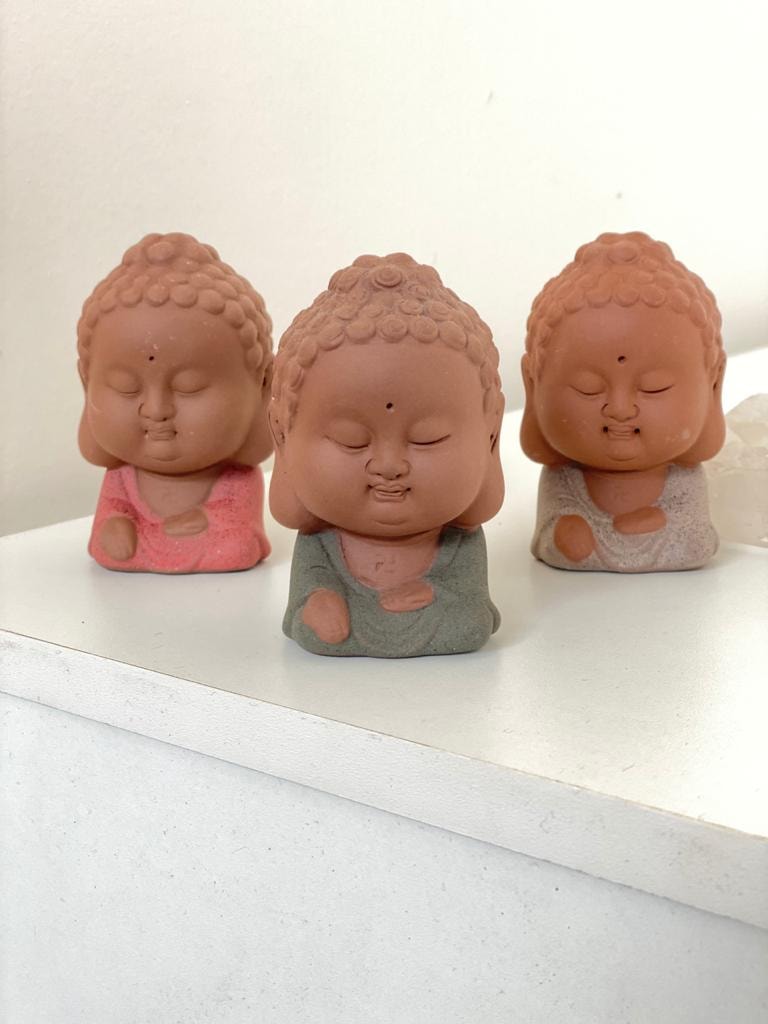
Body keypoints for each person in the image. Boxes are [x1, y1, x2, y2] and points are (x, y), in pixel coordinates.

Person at [269, 253, 505, 657]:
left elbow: (471, 612)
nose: (389, 466)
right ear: (282, 436)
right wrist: (320, 604)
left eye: (428, 439)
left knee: (467, 626)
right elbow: (308, 595)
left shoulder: (459, 542)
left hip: (431, 615)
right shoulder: (320, 542)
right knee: (319, 630)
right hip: (350, 619)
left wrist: (430, 594)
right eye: (351, 440)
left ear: (491, 436)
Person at [520, 232, 726, 572]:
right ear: (533, 385)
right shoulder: (566, 478)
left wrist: (655, 521)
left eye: (654, 388)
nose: (619, 409)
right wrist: (566, 534)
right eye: (588, 388)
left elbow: (696, 539)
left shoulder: (683, 480)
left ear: (713, 383)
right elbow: (552, 535)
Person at [77, 232, 273, 572]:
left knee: (236, 547)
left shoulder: (237, 479)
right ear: (86, 382)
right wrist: (117, 526)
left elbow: (237, 522)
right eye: (126, 388)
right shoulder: (122, 477)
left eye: (189, 387)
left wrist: (204, 519)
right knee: (110, 547)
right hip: (142, 546)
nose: (156, 410)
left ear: (261, 386)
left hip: (210, 542)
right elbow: (114, 511)